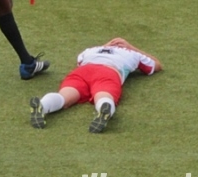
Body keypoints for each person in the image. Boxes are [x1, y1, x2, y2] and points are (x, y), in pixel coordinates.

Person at [29, 38, 162, 133]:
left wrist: (104, 47)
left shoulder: (90, 50)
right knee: (103, 95)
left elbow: (79, 62)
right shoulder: (132, 54)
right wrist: (131, 47)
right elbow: (156, 65)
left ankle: (43, 105)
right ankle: (104, 109)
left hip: (83, 71)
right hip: (108, 72)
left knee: (65, 96)